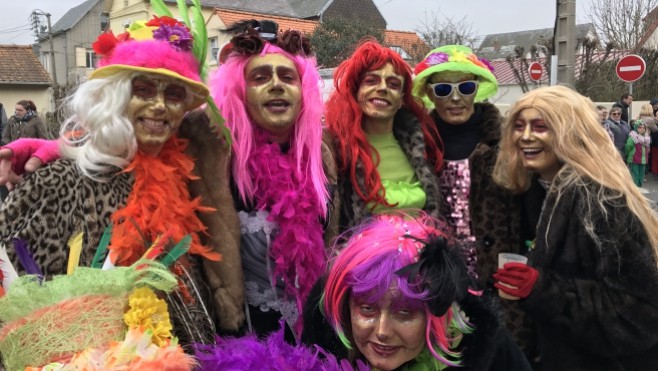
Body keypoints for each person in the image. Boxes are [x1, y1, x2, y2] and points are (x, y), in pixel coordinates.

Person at [0, 15, 243, 345]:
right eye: (142, 90)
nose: (159, 106)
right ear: (113, 99)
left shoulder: (185, 177)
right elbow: (17, 309)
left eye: (173, 94)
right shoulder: (54, 184)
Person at [492, 85, 658, 370]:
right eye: (518, 126)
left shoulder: (603, 201)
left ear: (570, 131)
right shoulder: (529, 191)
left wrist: (543, 289)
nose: (526, 136)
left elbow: (639, 315)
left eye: (541, 126)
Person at [411, 45, 540, 361]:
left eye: (465, 87)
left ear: (476, 89)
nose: (455, 98)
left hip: (501, 287)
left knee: (502, 360)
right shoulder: (416, 144)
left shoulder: (508, 141)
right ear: (430, 92)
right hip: (440, 286)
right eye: (444, 89)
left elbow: (538, 217)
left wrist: (531, 264)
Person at [209, 20, 337, 338]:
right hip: (243, 344)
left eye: (287, 76)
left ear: (302, 90)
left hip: (314, 335)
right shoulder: (215, 158)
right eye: (261, 77)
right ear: (240, 90)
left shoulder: (321, 155)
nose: (276, 85)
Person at [301, 214, 533, 371]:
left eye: (404, 312)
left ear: (435, 315)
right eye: (367, 308)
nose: (382, 331)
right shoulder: (322, 348)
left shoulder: (490, 352)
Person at [325, 39, 443, 230]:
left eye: (393, 84)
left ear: (401, 100)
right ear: (356, 92)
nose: (382, 88)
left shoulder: (422, 144)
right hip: (360, 257)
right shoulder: (334, 150)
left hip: (422, 256)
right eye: (371, 81)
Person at [625, 121, 651, 189]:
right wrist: (628, 156)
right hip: (634, 159)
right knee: (635, 175)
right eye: (639, 128)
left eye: (643, 128)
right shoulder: (633, 137)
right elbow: (628, 147)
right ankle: (635, 188)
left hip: (643, 159)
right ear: (636, 128)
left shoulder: (647, 138)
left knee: (641, 175)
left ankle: (639, 187)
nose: (642, 129)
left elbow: (647, 149)